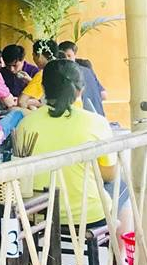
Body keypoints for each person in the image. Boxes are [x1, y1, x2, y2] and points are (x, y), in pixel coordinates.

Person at [16, 60, 130, 237]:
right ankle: (120, 251)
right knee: (122, 187)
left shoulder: (25, 124)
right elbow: (109, 175)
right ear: (80, 89)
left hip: (38, 213)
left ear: (43, 88)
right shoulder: (96, 122)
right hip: (88, 215)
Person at [59, 40, 107, 117]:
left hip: (83, 116)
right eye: (64, 56)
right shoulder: (88, 71)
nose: (66, 59)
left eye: (69, 56)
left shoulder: (67, 73)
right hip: (99, 116)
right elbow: (104, 95)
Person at [17, 40, 65, 110]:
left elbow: (21, 101)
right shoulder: (65, 70)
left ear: (39, 56)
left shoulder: (43, 73)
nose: (33, 59)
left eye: (33, 55)